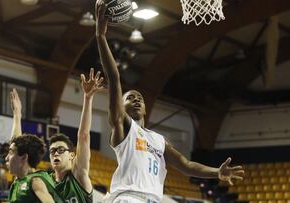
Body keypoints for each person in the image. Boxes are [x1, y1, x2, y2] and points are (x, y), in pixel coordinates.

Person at [94, 1, 245, 202]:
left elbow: (187, 165)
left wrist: (216, 172)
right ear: (121, 107)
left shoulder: (158, 140)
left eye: (139, 98)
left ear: (146, 108)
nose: (137, 99)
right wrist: (101, 36)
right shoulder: (123, 126)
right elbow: (113, 77)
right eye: (130, 98)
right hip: (127, 197)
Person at [44, 68, 103, 202]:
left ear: (72, 155)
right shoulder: (47, 186)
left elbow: (83, 136)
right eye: (52, 151)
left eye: (60, 150)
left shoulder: (78, 174)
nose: (55, 154)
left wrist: (87, 98)